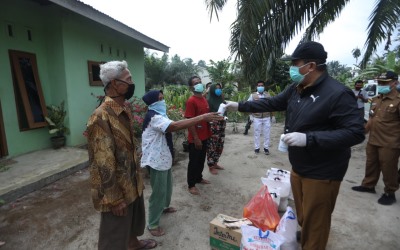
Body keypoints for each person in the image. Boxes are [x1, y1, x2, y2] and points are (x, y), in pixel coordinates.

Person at [224, 41, 365, 250]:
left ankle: (313, 242)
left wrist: (310, 138)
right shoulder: (297, 88)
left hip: (323, 170)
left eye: (295, 63)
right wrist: (240, 106)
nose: (291, 68)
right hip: (299, 166)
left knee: (317, 221)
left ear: (310, 66)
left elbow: (355, 132)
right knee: (305, 213)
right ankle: (306, 232)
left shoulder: (337, 93)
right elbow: (272, 103)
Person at [87, 60, 157, 250]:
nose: (132, 83)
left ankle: (133, 244)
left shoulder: (122, 109)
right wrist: (114, 199)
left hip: (132, 181)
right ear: (114, 84)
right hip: (116, 189)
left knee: (133, 220)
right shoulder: (100, 117)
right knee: (114, 236)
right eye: (128, 79)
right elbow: (103, 163)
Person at [141, 90, 222, 236]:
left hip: (163, 157)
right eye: (160, 99)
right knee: (158, 192)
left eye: (163, 97)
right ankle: (152, 224)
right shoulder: (153, 117)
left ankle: (164, 207)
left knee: (166, 187)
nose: (163, 100)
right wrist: (202, 117)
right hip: (156, 160)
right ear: (153, 103)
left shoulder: (160, 115)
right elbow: (174, 126)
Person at [352, 71, 400, 205]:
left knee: (389, 167)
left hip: (390, 142)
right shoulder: (377, 99)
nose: (381, 85)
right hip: (373, 139)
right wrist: (362, 133)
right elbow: (371, 120)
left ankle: (390, 192)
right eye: (379, 82)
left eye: (384, 82)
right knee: (371, 164)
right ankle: (368, 185)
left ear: (394, 83)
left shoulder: (398, 101)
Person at [185, 76, 212, 195]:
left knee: (201, 160)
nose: (199, 84)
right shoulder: (191, 101)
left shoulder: (203, 99)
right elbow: (189, 121)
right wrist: (196, 138)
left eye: (200, 82)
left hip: (205, 135)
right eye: (196, 83)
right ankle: (191, 184)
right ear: (191, 87)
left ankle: (199, 178)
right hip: (195, 137)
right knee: (194, 161)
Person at [247, 80, 276, 155]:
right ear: (257, 87)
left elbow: (271, 106)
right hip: (257, 117)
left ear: (264, 86)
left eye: (262, 86)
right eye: (259, 86)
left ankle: (266, 148)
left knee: (267, 133)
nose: (260, 87)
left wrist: (273, 116)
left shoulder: (268, 95)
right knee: (257, 133)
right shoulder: (253, 95)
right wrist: (250, 115)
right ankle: (257, 148)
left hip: (266, 117)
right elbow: (248, 105)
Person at [206, 83, 227, 175]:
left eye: (220, 88)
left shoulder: (221, 99)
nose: (218, 90)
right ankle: (211, 166)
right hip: (213, 125)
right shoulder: (208, 100)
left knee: (220, 144)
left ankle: (215, 162)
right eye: (216, 88)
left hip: (222, 124)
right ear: (212, 89)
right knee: (212, 145)